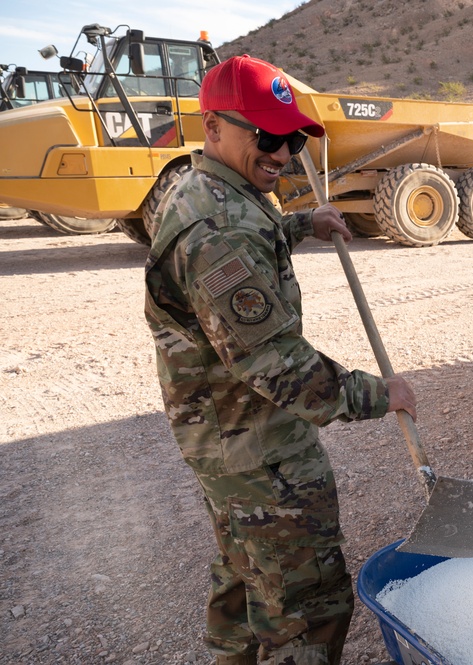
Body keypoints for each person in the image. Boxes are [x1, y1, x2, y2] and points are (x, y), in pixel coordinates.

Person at [144, 55, 417, 665]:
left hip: (228, 440)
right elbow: (277, 364)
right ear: (214, 127)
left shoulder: (213, 189)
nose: (285, 153)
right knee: (307, 604)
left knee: (245, 578)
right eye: (267, 137)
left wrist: (300, 224)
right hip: (254, 445)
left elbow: (248, 233)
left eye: (291, 137)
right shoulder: (215, 229)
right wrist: (380, 393)